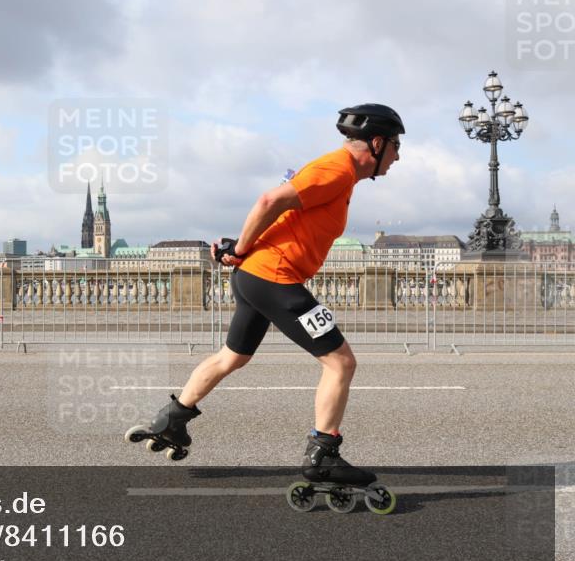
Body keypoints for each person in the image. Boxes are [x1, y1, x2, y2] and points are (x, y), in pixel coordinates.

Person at [134, 104, 404, 485]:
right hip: (274, 277)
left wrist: (238, 249)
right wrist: (242, 249)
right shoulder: (337, 169)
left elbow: (280, 214)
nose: (397, 156)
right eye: (395, 145)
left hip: (257, 276)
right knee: (340, 363)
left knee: (231, 357)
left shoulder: (336, 172)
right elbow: (268, 202)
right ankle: (324, 454)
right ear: (376, 143)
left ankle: (172, 420)